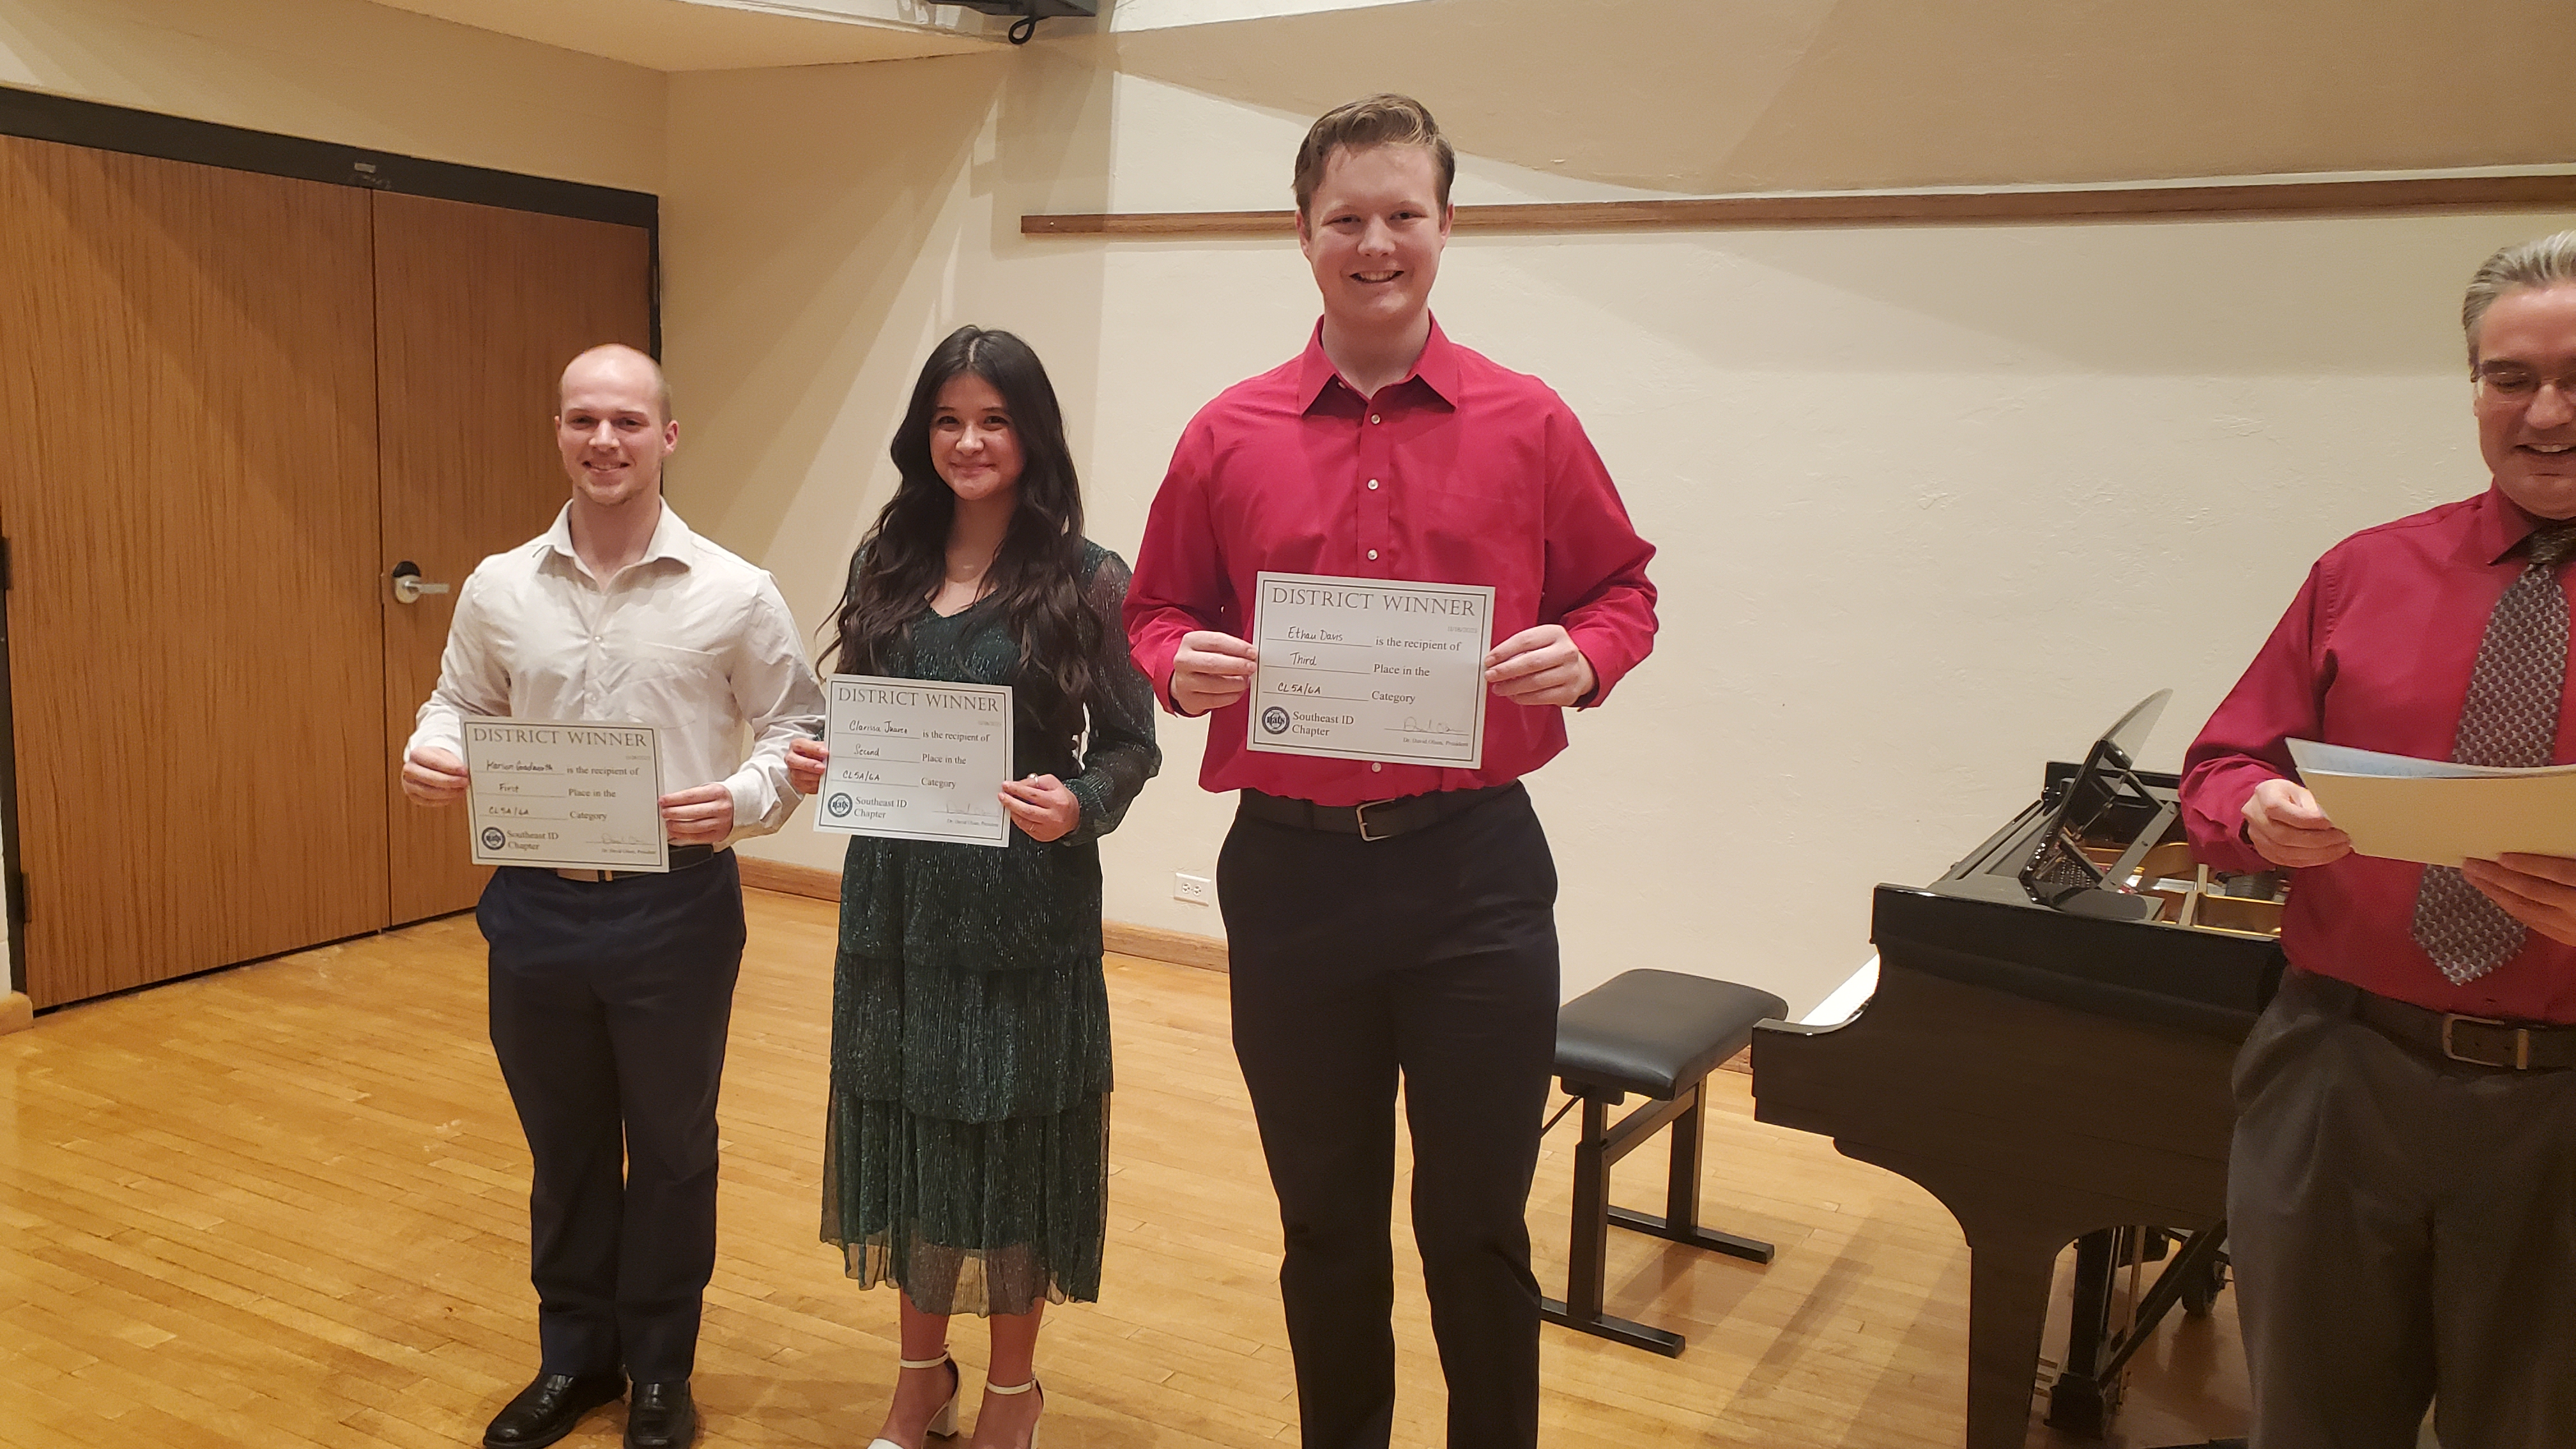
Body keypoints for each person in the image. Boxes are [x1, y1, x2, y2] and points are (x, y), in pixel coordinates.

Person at [1123, 95, 1658, 1449]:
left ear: (1446, 226)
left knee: (1477, 1227)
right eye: (1346, 218)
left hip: (1473, 875)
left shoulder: (1529, 422)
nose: (1376, 244)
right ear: (1303, 235)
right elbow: (1153, 610)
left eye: (1402, 216)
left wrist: (1584, 658)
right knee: (1325, 1226)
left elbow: (1624, 591)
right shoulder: (1225, 432)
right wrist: (1175, 662)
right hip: (1292, 882)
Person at [2181, 231, 2576, 1449]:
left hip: (2563, 1109)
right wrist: (2255, 809)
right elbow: (2219, 767)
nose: (2547, 413)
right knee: (2311, 1422)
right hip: (2339, 1072)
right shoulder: (2365, 572)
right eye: (2510, 378)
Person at [401, 344, 827, 1449]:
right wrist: (431, 750)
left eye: (628, 422)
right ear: (558, 433)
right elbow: (456, 702)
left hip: (674, 910)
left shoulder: (737, 592)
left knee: (674, 1146)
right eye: (583, 420)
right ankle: (573, 1358)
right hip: (533, 904)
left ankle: (658, 1373)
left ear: (668, 438)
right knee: (567, 1145)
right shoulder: (500, 587)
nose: (604, 441)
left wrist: (737, 798)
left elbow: (801, 733)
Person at [783, 326, 1158, 1449]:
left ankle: (1011, 1391)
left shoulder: (1091, 580)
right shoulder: (885, 562)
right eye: (948, 419)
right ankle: (916, 1377)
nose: (969, 441)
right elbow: (866, 726)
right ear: (922, 434)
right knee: (913, 1135)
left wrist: (1078, 806)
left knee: (1012, 1146)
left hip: (1025, 914)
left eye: (994, 419)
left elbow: (1132, 747)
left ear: (1033, 434)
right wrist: (825, 761)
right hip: (896, 906)